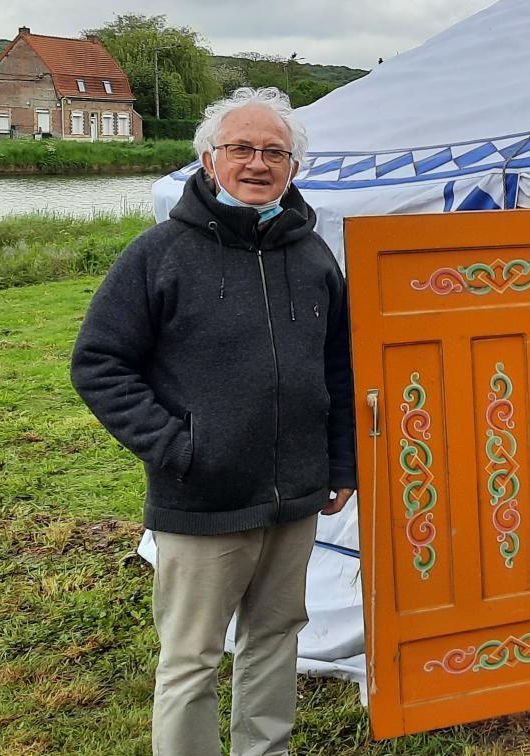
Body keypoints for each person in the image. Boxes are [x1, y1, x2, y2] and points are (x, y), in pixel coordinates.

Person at [70, 87, 356, 756]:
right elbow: (99, 363)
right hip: (202, 496)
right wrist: (178, 447)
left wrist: (340, 462)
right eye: (242, 149)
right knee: (192, 655)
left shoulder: (314, 256)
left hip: (295, 495)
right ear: (208, 159)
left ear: (292, 167)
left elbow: (338, 367)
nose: (258, 164)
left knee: (275, 637)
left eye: (275, 153)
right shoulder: (160, 254)